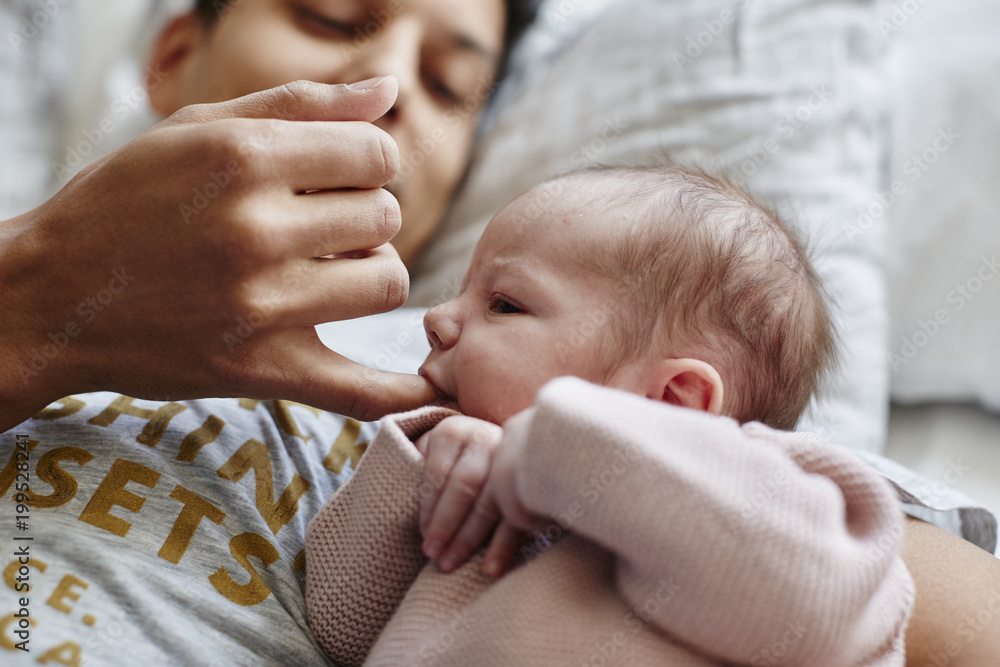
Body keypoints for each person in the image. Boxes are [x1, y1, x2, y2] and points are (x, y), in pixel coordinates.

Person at [0, 3, 997, 665]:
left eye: (446, 86)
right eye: (329, 14)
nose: (383, 85)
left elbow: (873, 597)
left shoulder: (729, 472)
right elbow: (346, 612)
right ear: (171, 56)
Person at [304, 166, 914, 666]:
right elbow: (340, 620)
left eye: (505, 304)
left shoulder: (777, 501)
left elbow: (820, 601)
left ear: (673, 404)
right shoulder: (496, 499)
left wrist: (552, 444)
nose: (436, 318)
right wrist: (428, 472)